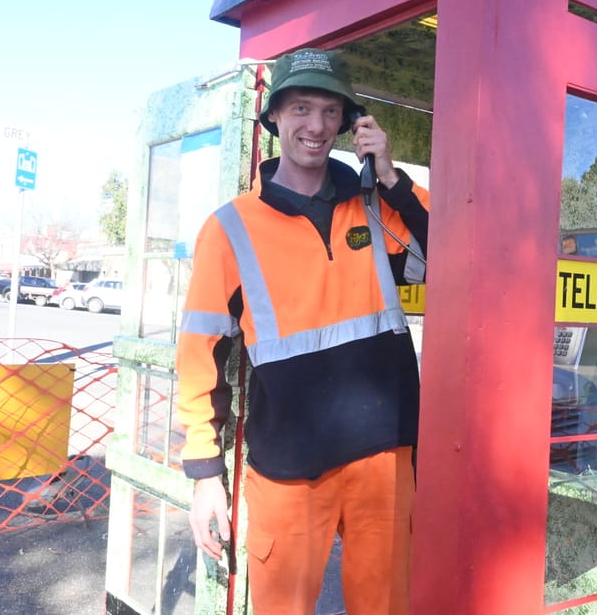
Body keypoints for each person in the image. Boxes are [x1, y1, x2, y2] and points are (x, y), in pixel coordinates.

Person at [177, 46, 429, 615]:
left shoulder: (376, 208)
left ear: (348, 123)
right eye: (300, 109)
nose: (316, 126)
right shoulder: (229, 229)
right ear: (274, 117)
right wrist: (205, 475)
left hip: (384, 459)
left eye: (330, 111)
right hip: (289, 471)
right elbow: (198, 357)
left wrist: (391, 177)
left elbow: (452, 252)